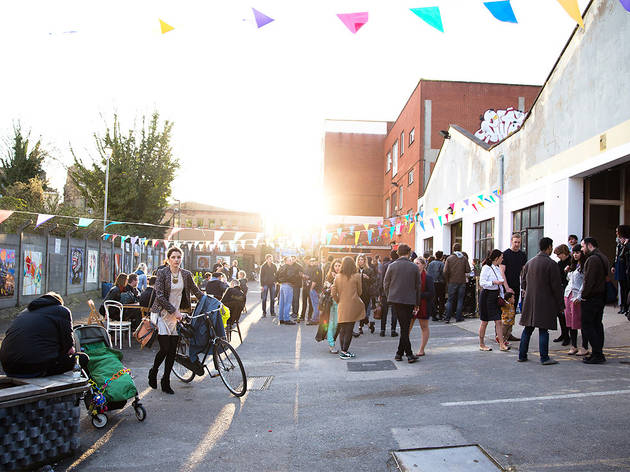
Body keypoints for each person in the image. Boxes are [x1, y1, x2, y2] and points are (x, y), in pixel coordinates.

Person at [149, 246, 205, 394]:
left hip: (177, 315)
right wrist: (173, 311)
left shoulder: (186, 274)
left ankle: (165, 380)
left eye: (178, 257)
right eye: (173, 257)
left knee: (172, 351)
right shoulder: (162, 273)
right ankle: (153, 371)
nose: (176, 260)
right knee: (165, 348)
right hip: (162, 313)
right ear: (168, 259)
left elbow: (196, 290)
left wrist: (208, 299)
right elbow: (159, 296)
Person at [0, 292, 89, 377]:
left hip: (9, 367)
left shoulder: (24, 312)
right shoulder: (62, 311)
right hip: (35, 368)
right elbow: (69, 348)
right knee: (82, 358)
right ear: (59, 302)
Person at [518, 237, 564, 365]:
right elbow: (556, 287)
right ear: (549, 247)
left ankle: (522, 355)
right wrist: (561, 305)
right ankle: (544, 358)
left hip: (530, 301)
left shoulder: (530, 263)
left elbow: (523, 282)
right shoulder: (551, 264)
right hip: (545, 302)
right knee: (543, 329)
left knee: (528, 329)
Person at [383, 244, 422, 364]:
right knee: (405, 327)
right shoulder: (414, 267)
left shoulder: (392, 266)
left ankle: (400, 353)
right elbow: (418, 286)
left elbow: (386, 283)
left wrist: (390, 295)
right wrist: (417, 302)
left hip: (396, 300)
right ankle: (408, 354)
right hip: (409, 300)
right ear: (408, 252)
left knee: (404, 327)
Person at [580, 237, 609, 364]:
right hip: (600, 297)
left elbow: (588, 281)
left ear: (589, 245)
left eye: (582, 246)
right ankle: (598, 353)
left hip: (591, 297)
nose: (581, 249)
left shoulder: (592, 259)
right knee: (597, 324)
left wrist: (583, 295)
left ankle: (597, 353)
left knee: (587, 325)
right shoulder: (603, 257)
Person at [331, 256, 365, 359]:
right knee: (349, 329)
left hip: (341, 304)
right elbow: (360, 291)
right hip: (353, 305)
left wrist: (338, 300)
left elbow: (333, 291)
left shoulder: (338, 276)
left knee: (342, 329)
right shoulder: (357, 276)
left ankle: (343, 350)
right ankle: (344, 352)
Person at [478, 249, 510, 352]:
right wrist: (493, 282)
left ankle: (501, 344)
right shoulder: (486, 268)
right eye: (501, 257)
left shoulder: (496, 268)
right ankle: (482, 344)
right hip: (487, 295)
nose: (502, 259)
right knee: (485, 321)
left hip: (495, 295)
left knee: (498, 321)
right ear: (496, 258)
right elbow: (482, 283)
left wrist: (502, 296)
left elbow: (500, 282)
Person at [564, 246, 589, 356]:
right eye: (574, 253)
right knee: (570, 323)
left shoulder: (584, 266)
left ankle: (584, 346)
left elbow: (584, 282)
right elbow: (570, 280)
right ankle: (573, 345)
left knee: (579, 322)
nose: (575, 255)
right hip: (568, 295)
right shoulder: (573, 266)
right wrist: (567, 271)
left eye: (578, 252)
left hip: (577, 296)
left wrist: (579, 296)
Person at [500, 233, 526, 337]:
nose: (517, 244)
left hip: (516, 285)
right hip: (506, 286)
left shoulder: (522, 255)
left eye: (519, 242)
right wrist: (506, 287)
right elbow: (502, 272)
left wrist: (524, 287)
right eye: (515, 242)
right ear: (511, 241)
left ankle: (508, 334)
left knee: (513, 311)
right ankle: (501, 335)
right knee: (504, 311)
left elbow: (524, 272)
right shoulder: (505, 254)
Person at [409, 257, 435, 357]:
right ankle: (405, 348)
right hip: (411, 305)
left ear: (423, 265)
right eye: (414, 263)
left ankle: (421, 349)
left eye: (418, 263)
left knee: (424, 327)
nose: (416, 265)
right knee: (407, 327)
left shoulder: (428, 277)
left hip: (423, 305)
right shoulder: (410, 277)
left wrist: (418, 295)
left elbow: (431, 293)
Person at [443, 243, 471, 323]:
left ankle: (447, 318)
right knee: (460, 299)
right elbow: (468, 270)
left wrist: (447, 279)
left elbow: (445, 271)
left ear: (453, 249)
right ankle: (458, 317)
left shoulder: (449, 258)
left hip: (452, 281)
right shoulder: (464, 258)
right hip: (461, 281)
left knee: (450, 300)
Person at [553, 244, 572, 345]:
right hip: (561, 290)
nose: (558, 257)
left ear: (564, 253)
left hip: (569, 290)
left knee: (567, 314)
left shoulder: (571, 262)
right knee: (560, 314)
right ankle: (564, 334)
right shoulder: (559, 264)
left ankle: (568, 336)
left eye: (559, 254)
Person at [324, 259, 342, 353]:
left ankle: (332, 340)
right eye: (336, 266)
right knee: (332, 323)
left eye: (339, 265)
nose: (337, 267)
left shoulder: (343, 276)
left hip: (341, 303)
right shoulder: (329, 277)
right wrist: (333, 281)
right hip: (331, 303)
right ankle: (331, 344)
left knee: (337, 324)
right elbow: (326, 289)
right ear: (333, 267)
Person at [379, 251, 399, 337]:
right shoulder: (398, 266)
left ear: (390, 256)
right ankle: (393, 330)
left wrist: (380, 292)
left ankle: (382, 330)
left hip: (385, 292)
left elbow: (382, 280)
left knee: (384, 312)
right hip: (395, 292)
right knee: (394, 312)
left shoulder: (385, 265)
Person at [276, 256, 301, 325]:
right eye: (290, 260)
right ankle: (286, 319)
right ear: (286, 261)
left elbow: (276, 275)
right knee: (287, 303)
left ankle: (281, 319)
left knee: (282, 303)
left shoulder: (281, 267)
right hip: (288, 285)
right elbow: (291, 276)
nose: (291, 261)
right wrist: (298, 276)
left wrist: (279, 282)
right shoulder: (290, 267)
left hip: (282, 285)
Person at [612, 225, 630, 315]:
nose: (616, 233)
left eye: (617, 231)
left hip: (625, 267)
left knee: (626, 288)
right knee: (622, 287)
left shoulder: (627, 242)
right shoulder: (619, 242)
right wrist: (613, 265)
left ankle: (626, 306)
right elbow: (616, 255)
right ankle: (622, 305)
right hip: (619, 265)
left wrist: (625, 244)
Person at [356, 254, 376, 335]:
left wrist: (368, 278)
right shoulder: (355, 270)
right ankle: (369, 324)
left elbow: (374, 281)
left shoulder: (369, 270)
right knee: (359, 311)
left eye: (362, 259)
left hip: (366, 293)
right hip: (357, 293)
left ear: (365, 261)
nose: (360, 261)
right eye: (359, 259)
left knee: (363, 311)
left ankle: (360, 327)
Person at [426, 251, 445, 321]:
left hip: (432, 283)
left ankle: (434, 315)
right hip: (440, 283)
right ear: (442, 256)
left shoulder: (431, 264)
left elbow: (427, 273)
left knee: (434, 299)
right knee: (441, 300)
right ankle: (440, 314)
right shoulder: (442, 264)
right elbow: (444, 274)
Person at [305, 258, 323, 325]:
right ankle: (317, 319)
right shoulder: (315, 269)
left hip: (315, 289)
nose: (312, 262)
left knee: (315, 305)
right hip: (316, 289)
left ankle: (315, 319)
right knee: (316, 304)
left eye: (314, 261)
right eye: (311, 261)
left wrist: (311, 288)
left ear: (317, 261)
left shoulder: (317, 269)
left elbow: (315, 280)